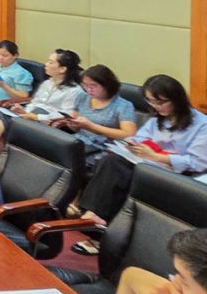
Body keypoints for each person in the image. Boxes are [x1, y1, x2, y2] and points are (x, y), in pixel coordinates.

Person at [76, 75, 207, 239]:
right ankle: (95, 217)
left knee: (120, 172)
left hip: (177, 172)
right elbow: (140, 137)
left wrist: (155, 156)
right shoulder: (157, 119)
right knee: (111, 161)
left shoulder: (202, 124)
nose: (155, 107)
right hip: (148, 163)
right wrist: (133, 144)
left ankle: (97, 222)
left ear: (177, 99)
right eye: (150, 102)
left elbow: (197, 163)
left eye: (160, 102)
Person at [0, 49, 83, 160]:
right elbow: (35, 102)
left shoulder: (75, 91)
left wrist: (36, 117)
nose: (46, 64)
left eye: (50, 62)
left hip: (47, 122)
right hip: (31, 115)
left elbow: (66, 116)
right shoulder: (47, 83)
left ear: (62, 69)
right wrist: (24, 111)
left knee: (11, 123)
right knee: (1, 113)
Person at [57, 64, 137, 168]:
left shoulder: (123, 105)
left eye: (93, 86)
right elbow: (76, 129)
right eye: (85, 85)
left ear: (107, 85)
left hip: (102, 148)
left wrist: (91, 126)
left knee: (68, 160)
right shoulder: (82, 97)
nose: (88, 89)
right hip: (79, 142)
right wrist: (72, 124)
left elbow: (128, 134)